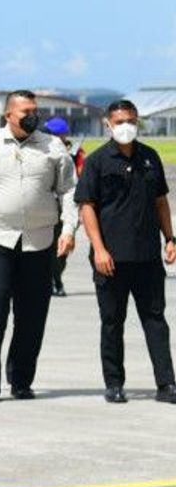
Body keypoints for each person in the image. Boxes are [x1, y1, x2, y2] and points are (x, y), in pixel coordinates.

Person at [0, 89, 78, 403]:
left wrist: (69, 229)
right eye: (25, 111)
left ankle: (22, 380)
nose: (32, 116)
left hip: (39, 242)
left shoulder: (53, 147)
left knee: (33, 314)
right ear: (8, 115)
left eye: (34, 110)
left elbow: (68, 191)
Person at [75, 100, 176, 405]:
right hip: (111, 259)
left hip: (147, 257)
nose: (125, 126)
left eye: (131, 120)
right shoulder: (97, 161)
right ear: (108, 124)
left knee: (155, 320)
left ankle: (167, 384)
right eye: (119, 121)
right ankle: (114, 383)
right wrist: (99, 249)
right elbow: (87, 207)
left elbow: (160, 201)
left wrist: (170, 239)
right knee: (112, 322)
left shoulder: (150, 157)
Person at [43, 117, 85, 297]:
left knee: (61, 246)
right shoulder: (42, 148)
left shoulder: (76, 153)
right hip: (45, 205)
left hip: (64, 206)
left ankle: (56, 279)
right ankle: (51, 280)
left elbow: (81, 179)